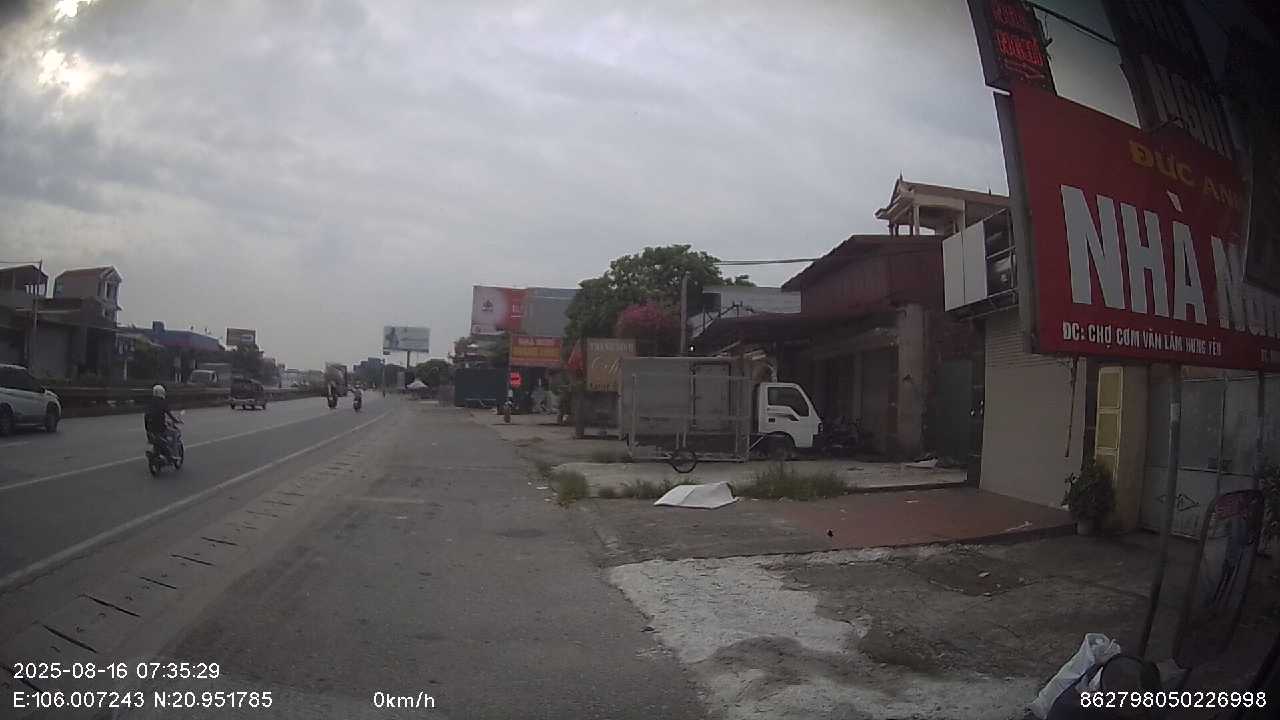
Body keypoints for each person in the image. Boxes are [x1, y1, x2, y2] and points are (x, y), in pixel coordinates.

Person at [145, 384, 180, 459]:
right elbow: (169, 413)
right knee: (174, 434)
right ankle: (175, 454)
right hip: (160, 429)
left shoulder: (150, 402)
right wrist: (176, 420)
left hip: (150, 430)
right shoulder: (162, 402)